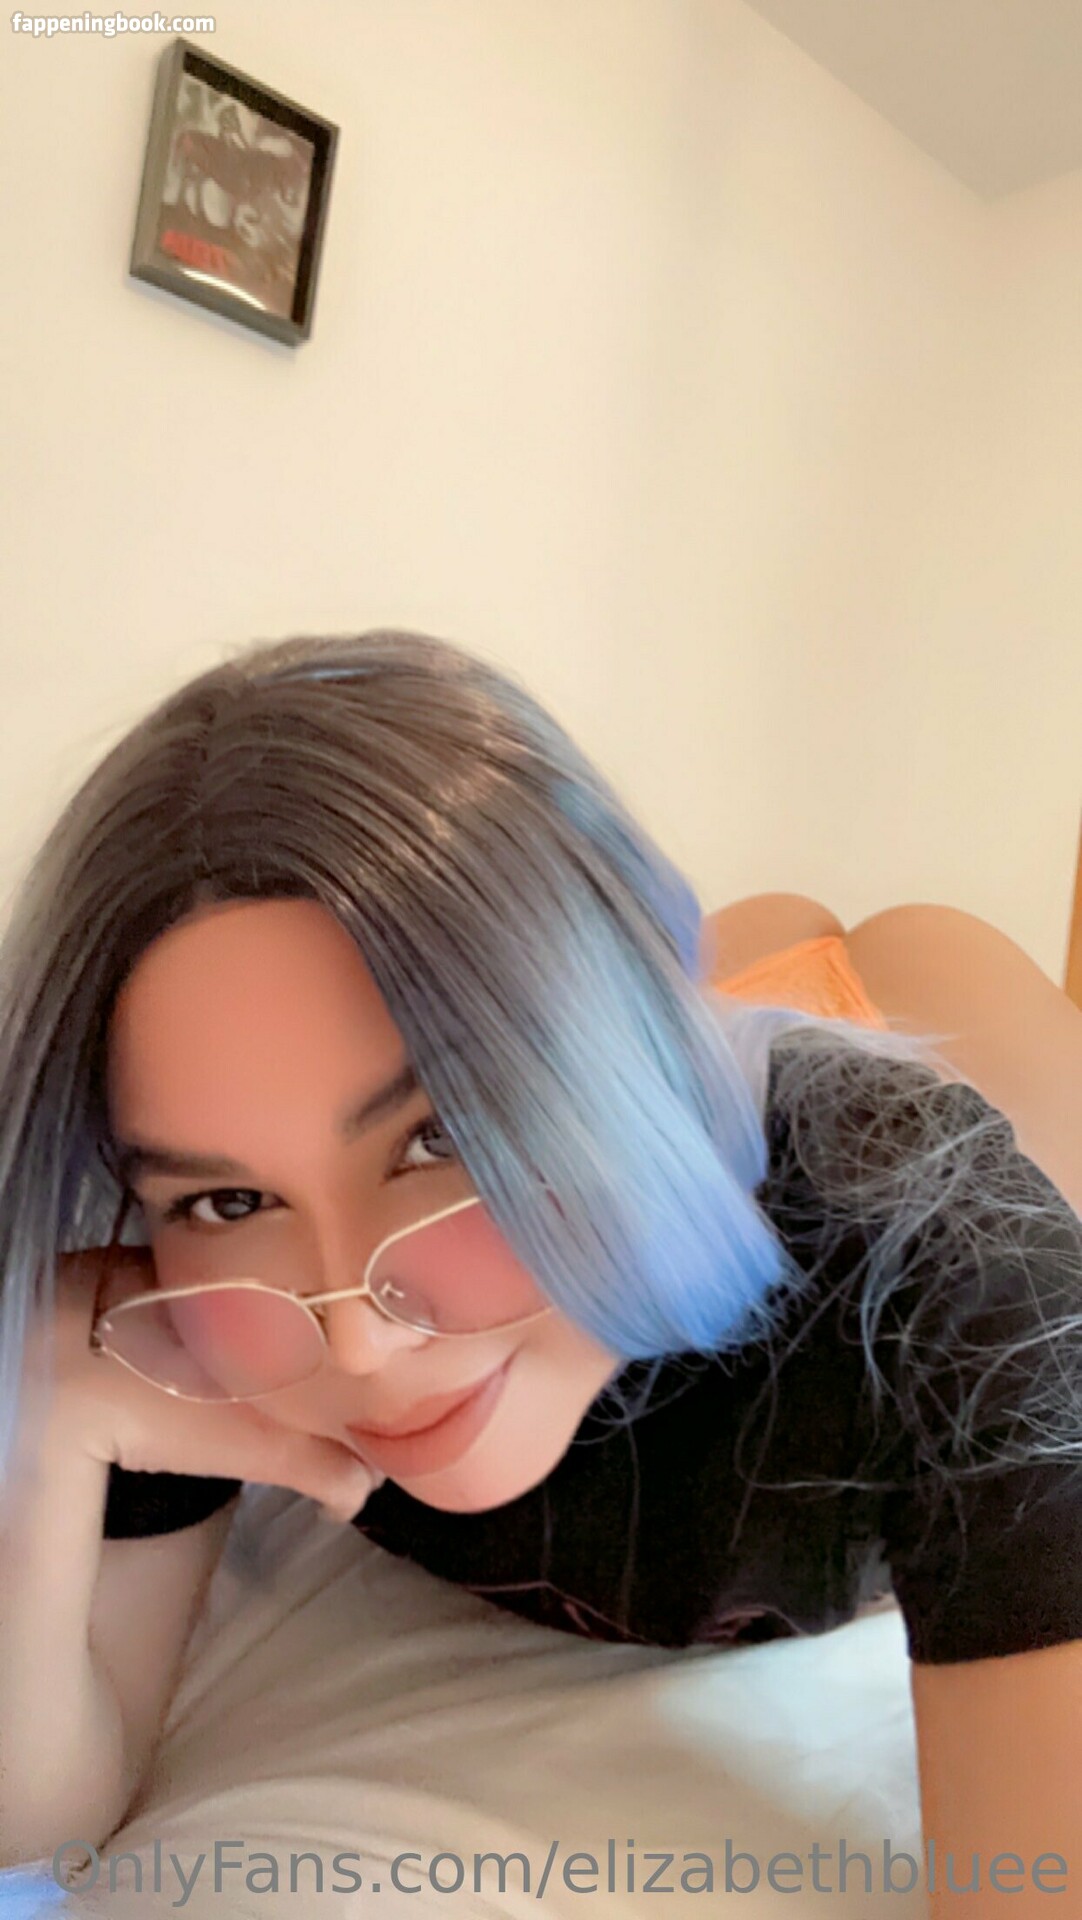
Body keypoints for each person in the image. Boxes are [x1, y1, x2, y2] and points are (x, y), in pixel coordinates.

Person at [0, 629, 1079, 1910]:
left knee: (927, 951)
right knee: (758, 937)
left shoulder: (957, 1278)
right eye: (229, 1198)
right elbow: (41, 1816)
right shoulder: (187, 1305)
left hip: (892, 1121)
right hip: (665, 1035)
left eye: (439, 1135)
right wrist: (38, 1443)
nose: (359, 1341)